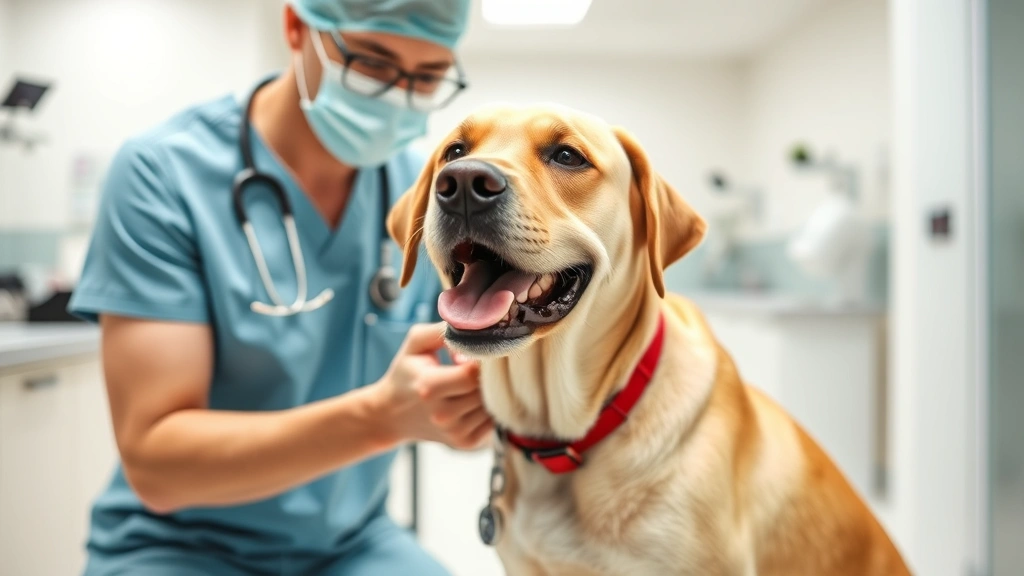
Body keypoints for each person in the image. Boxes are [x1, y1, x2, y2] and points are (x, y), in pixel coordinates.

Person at [67, 1, 487, 574]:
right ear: (296, 27)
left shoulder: (426, 195)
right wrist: (379, 418)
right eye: (372, 62)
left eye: (429, 75)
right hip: (179, 547)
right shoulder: (162, 174)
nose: (398, 94)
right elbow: (157, 466)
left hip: (352, 545)